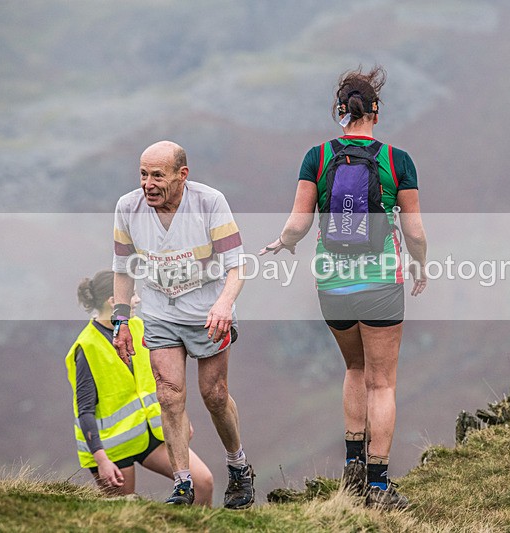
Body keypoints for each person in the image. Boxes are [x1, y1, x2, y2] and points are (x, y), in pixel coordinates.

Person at [259, 66, 428, 511]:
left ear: (340, 112)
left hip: (332, 282)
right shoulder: (398, 161)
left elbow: (299, 222)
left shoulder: (317, 156)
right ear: (376, 110)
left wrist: (283, 242)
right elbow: (414, 232)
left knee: (355, 370)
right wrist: (420, 263)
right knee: (383, 383)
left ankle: (352, 470)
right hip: (380, 282)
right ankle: (378, 485)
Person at [111, 140, 254, 508]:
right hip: (159, 311)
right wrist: (121, 322)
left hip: (207, 311)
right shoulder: (128, 208)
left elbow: (237, 265)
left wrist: (224, 304)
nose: (148, 184)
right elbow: (123, 269)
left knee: (215, 394)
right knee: (169, 395)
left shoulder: (209, 202)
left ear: (182, 175)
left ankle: (238, 467)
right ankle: (182, 484)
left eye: (158, 175)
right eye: (143, 175)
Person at [66, 270, 213, 505]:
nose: (137, 299)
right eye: (132, 294)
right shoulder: (86, 347)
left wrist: (180, 418)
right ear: (114, 302)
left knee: (203, 482)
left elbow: (162, 379)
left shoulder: (139, 327)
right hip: (110, 449)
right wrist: (101, 460)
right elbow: (84, 410)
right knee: (126, 515)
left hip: (152, 433)